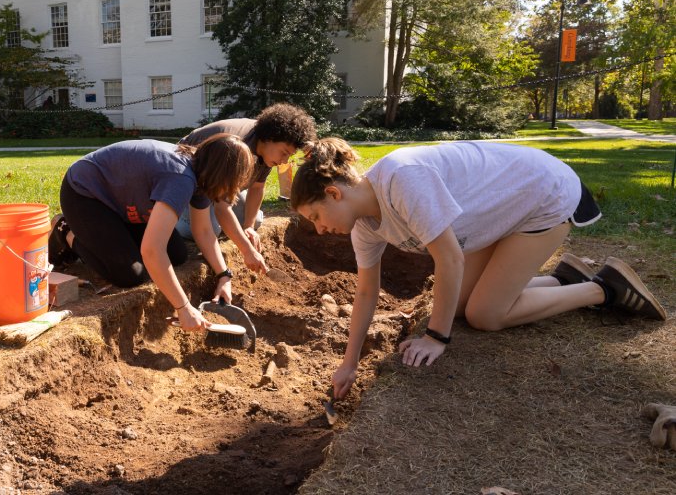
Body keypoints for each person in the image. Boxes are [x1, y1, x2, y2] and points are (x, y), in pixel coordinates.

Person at [291, 138, 667, 400]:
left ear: (334, 193)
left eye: (317, 217)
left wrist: (436, 337)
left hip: (542, 197)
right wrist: (348, 364)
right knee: (457, 306)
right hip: (497, 216)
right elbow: (365, 292)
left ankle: (603, 288)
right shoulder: (364, 227)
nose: (321, 228)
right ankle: (563, 278)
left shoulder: (400, 179)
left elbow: (449, 259)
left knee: (485, 314)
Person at [49, 135, 255, 331]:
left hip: (122, 201)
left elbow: (202, 231)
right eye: (236, 182)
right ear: (223, 175)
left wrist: (223, 276)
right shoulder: (180, 178)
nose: (236, 191)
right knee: (130, 274)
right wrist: (183, 307)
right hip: (85, 194)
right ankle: (66, 230)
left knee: (177, 254)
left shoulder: (201, 176)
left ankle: (115, 234)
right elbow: (152, 250)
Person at [175, 103, 316, 273]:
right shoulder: (236, 146)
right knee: (212, 229)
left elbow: (257, 188)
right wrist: (247, 251)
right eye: (284, 152)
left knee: (254, 220)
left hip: (218, 187)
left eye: (289, 155)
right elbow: (222, 207)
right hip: (187, 185)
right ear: (269, 137)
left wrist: (248, 226)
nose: (285, 161)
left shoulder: (266, 150)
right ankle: (177, 220)